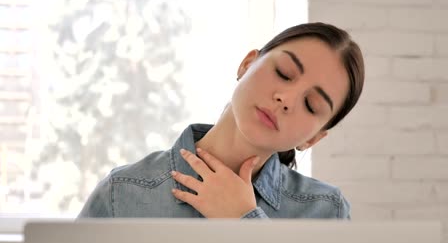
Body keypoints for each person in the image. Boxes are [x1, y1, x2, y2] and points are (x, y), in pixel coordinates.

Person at [78, 22, 365, 219]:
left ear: (312, 139)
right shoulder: (124, 191)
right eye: (284, 73)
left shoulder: (326, 212)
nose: (286, 99)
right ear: (247, 64)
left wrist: (245, 222)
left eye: (310, 105)